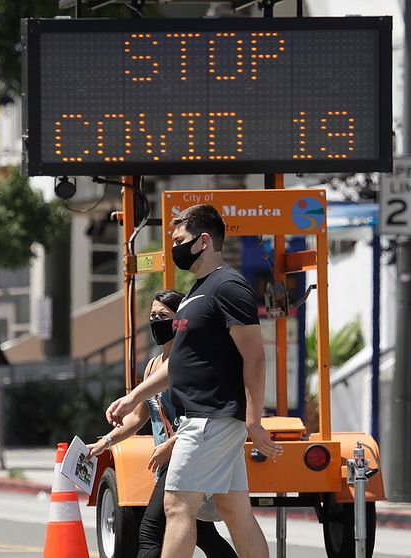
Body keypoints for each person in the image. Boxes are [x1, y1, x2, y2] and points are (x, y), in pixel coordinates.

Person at [105, 204, 283, 558]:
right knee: (235, 512)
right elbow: (178, 365)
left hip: (210, 419)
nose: (174, 247)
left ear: (203, 241)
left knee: (177, 506)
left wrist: (253, 420)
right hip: (206, 420)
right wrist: (132, 398)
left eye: (179, 239)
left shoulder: (229, 286)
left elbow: (255, 356)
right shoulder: (195, 294)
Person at [87, 290, 237, 558]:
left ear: (181, 320)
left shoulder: (192, 362)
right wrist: (105, 442)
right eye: (153, 315)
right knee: (203, 532)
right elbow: (138, 417)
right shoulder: (154, 365)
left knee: (150, 531)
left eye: (164, 316)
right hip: (170, 460)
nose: (157, 321)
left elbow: (203, 414)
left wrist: (171, 444)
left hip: (188, 453)